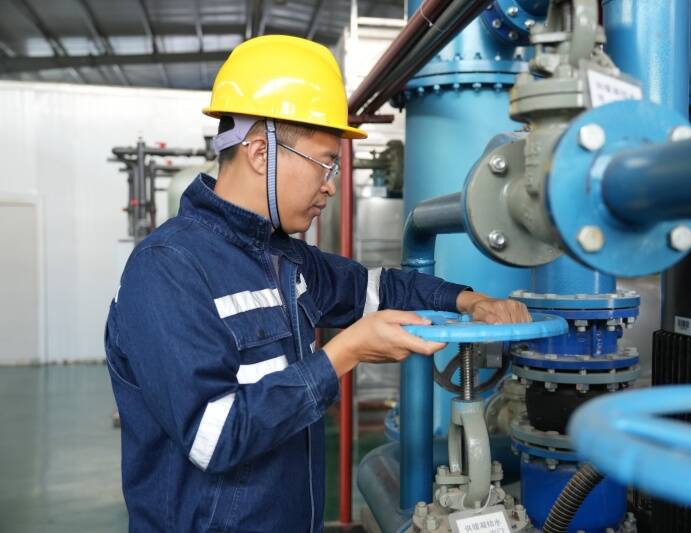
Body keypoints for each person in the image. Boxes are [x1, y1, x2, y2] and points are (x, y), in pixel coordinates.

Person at [104, 35, 531, 532]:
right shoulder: (168, 269)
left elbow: (377, 289)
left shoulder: (284, 258)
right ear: (260, 152)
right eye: (325, 162)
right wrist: (343, 353)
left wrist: (468, 300)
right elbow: (214, 438)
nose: (330, 184)